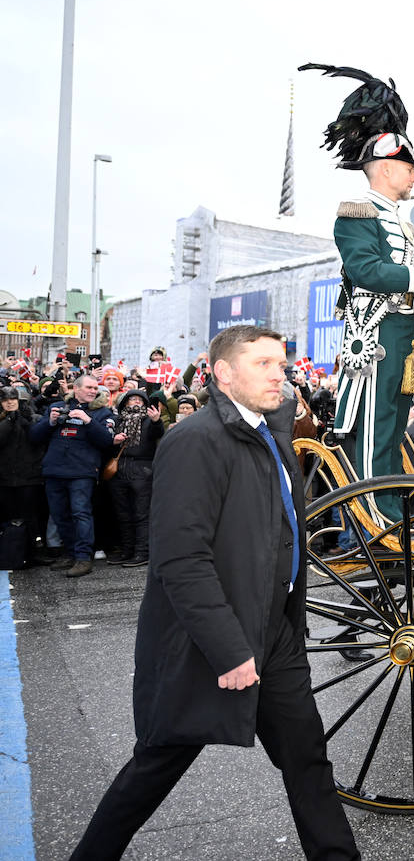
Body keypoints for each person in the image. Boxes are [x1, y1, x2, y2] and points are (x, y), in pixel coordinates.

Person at [70, 325, 359, 861]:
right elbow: (181, 559)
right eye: (265, 364)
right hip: (214, 636)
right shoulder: (196, 440)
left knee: (307, 759)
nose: (281, 374)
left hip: (274, 632)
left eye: (282, 363)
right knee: (158, 763)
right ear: (224, 373)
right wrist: (229, 649)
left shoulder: (268, 432)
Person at [302, 63, 414, 517]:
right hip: (375, 337)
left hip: (402, 331)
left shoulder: (396, 217)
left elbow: (406, 276)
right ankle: (375, 516)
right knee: (375, 428)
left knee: (392, 431)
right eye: (410, 170)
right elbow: (368, 272)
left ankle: (390, 508)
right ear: (388, 168)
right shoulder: (356, 213)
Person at [29, 372, 115, 578]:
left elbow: (107, 441)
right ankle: (69, 552)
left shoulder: (102, 413)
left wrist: (88, 421)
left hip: (82, 472)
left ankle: (84, 557)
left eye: (96, 388)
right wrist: (49, 422)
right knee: (60, 515)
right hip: (55, 470)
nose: (94, 391)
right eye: (89, 388)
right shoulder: (56, 407)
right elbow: (33, 437)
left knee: (80, 513)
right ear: (76, 389)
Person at [107, 388, 164, 568]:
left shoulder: (149, 420)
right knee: (122, 512)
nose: (136, 402)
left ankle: (142, 552)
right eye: (132, 399)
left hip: (142, 469)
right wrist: (113, 440)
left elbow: (158, 433)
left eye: (140, 399)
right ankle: (127, 550)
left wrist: (156, 421)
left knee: (141, 513)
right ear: (125, 403)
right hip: (120, 468)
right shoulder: (117, 420)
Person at [0, 385, 45, 567]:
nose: (10, 403)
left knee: (31, 517)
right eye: (5, 400)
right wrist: (9, 420)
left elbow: (36, 439)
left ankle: (31, 553)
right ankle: (9, 552)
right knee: (6, 518)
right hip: (4, 477)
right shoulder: (3, 420)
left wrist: (22, 419)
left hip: (29, 477)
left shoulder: (32, 418)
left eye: (13, 399)